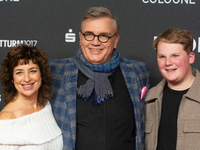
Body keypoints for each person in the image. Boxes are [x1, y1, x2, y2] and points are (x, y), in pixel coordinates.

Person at [50, 6, 149, 150]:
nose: (95, 42)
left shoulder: (138, 72)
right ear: (80, 37)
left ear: (115, 40)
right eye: (89, 34)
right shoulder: (55, 72)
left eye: (103, 36)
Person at [145, 28, 200, 150]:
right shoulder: (149, 100)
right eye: (162, 57)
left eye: (175, 56)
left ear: (190, 58)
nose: (168, 62)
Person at [0, 45, 63, 149]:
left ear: (41, 75)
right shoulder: (7, 119)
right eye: (19, 72)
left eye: (32, 71)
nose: (27, 78)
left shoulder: (46, 107)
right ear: (12, 78)